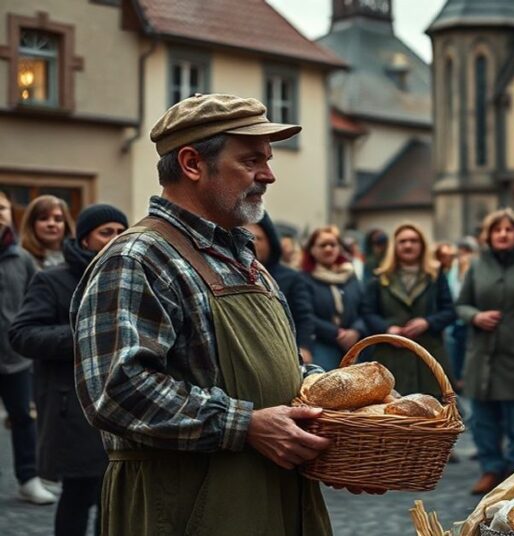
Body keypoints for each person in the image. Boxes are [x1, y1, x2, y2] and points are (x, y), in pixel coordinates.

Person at [72, 94, 344, 535]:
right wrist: (245, 425)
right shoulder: (137, 257)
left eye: (268, 160)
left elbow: (268, 368)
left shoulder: (242, 258)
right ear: (192, 163)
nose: (268, 175)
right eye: (252, 160)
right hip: (182, 504)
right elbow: (116, 389)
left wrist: (328, 396)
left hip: (271, 493)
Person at [10, 204, 128, 535]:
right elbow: (22, 335)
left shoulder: (129, 276)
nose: (115, 239)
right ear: (85, 237)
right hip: (73, 407)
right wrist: (86, 336)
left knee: (115, 495)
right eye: (107, 232)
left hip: (121, 405)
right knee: (78, 495)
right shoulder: (52, 280)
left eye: (121, 232)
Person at [457, 209, 514, 495]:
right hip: (482, 356)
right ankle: (491, 469)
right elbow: (461, 305)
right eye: (497, 229)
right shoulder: (476, 266)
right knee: (483, 420)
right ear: (488, 235)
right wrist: (475, 316)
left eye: (509, 229)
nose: (502, 234)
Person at [360, 223, 456, 396]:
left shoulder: (435, 275)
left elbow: (449, 311)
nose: (408, 245)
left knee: (432, 412)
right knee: (392, 412)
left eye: (414, 241)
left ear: (422, 245)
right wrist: (387, 330)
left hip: (429, 357)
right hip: (390, 358)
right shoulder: (379, 278)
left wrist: (428, 322)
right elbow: (367, 312)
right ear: (394, 246)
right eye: (403, 241)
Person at [0, 201, 52, 505]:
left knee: (24, 418)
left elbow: (36, 306)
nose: (0, 214)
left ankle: (29, 479)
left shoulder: (22, 259)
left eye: (4, 208)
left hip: (16, 359)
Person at [244, 213, 316, 364]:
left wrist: (304, 348)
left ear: (270, 243)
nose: (251, 242)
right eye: (245, 235)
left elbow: (304, 317)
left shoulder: (291, 277)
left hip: (287, 355)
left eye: (258, 238)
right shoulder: (228, 275)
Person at [302, 225, 366, 370]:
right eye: (323, 245)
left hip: (352, 346)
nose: (329, 249)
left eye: (333, 244)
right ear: (312, 250)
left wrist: (356, 330)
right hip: (321, 346)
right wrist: (336, 333)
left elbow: (365, 309)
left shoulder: (350, 276)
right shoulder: (304, 279)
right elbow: (304, 315)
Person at [447, 237, 478, 389]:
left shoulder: (475, 265)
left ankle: (465, 379)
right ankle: (459, 379)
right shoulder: (455, 267)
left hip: (469, 318)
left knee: (466, 350)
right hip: (458, 318)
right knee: (458, 351)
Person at [19, 195, 75, 269]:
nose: (51, 224)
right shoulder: (20, 259)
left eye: (58, 219)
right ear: (31, 224)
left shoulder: (77, 259)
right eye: (43, 218)